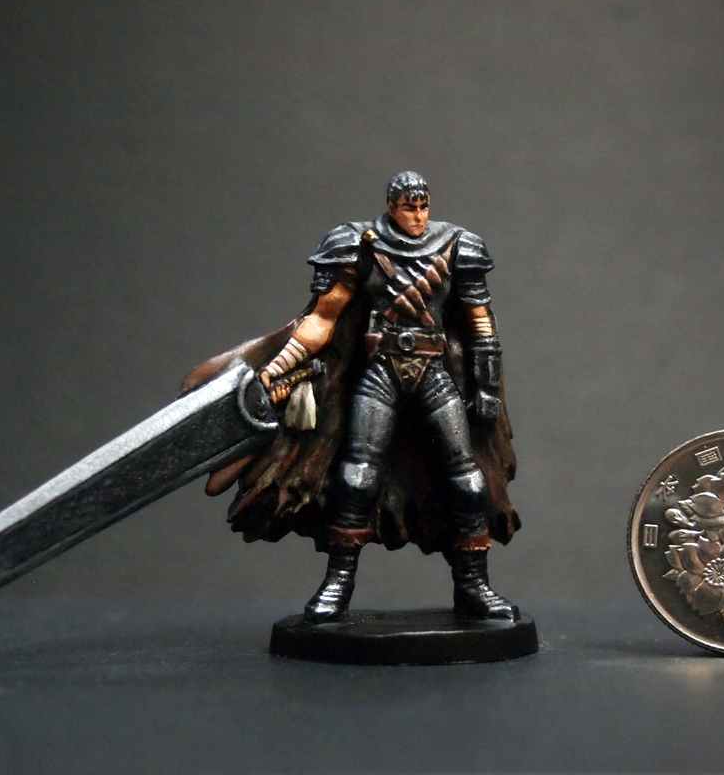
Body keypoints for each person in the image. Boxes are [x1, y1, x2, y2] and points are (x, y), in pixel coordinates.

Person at [193, 172, 522, 623]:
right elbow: (323, 317)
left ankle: (473, 586)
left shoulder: (457, 245)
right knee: (356, 477)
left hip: (432, 372)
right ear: (391, 206)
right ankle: (338, 583)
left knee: (466, 479)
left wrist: (485, 386)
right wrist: (276, 368)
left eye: (423, 207)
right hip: (380, 371)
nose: (417, 216)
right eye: (408, 207)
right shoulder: (357, 244)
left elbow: (481, 322)